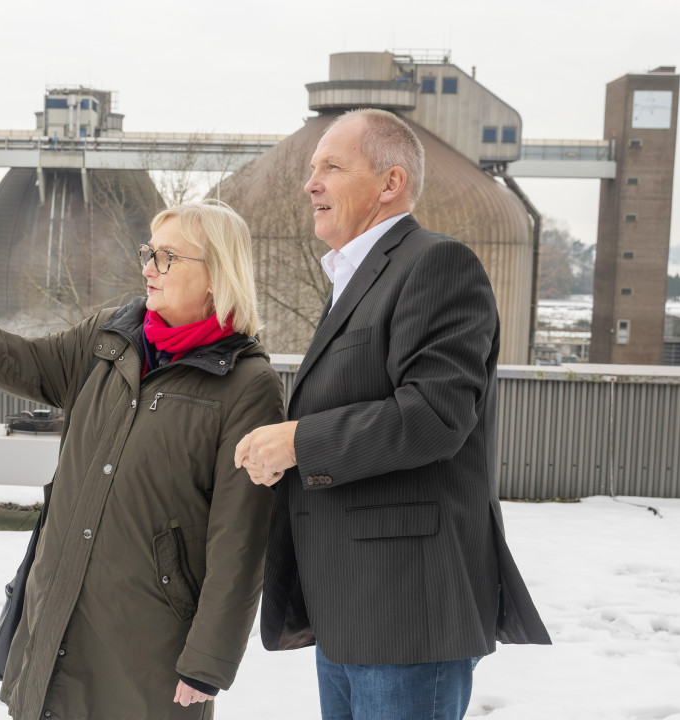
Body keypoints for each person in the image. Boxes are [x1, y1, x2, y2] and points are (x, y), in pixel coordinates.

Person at [0, 200, 283, 719]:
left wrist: (208, 661)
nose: (148, 268)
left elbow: (240, 538)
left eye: (168, 258)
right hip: (57, 612)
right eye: (149, 252)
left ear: (217, 275)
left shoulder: (247, 385)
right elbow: (16, 360)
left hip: (150, 644)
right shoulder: (110, 337)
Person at [234, 108, 551, 720]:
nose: (311, 184)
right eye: (311, 168)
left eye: (332, 166)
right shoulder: (355, 282)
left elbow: (433, 415)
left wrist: (299, 442)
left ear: (390, 183)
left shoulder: (436, 265)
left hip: (408, 616)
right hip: (352, 610)